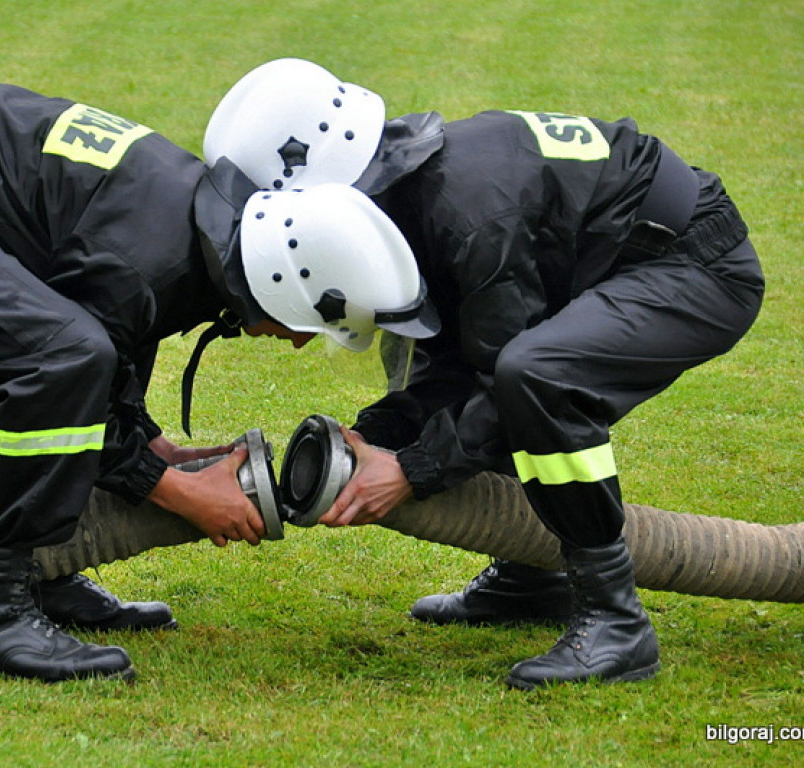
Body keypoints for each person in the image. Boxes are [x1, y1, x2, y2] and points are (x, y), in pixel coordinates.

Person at [202, 59, 765, 689]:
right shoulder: (410, 194)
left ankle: (615, 621)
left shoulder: (468, 211)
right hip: (622, 254)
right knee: (515, 365)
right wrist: (374, 437)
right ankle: (531, 575)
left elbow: (498, 376)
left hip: (694, 264)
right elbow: (461, 356)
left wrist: (412, 471)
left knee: (537, 375)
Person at [0, 83, 319, 682]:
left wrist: (152, 449)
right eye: (315, 321)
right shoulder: (149, 264)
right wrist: (182, 492)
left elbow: (113, 344)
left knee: (76, 354)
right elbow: (82, 361)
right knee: (61, 358)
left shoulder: (195, 226)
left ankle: (42, 576)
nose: (303, 340)